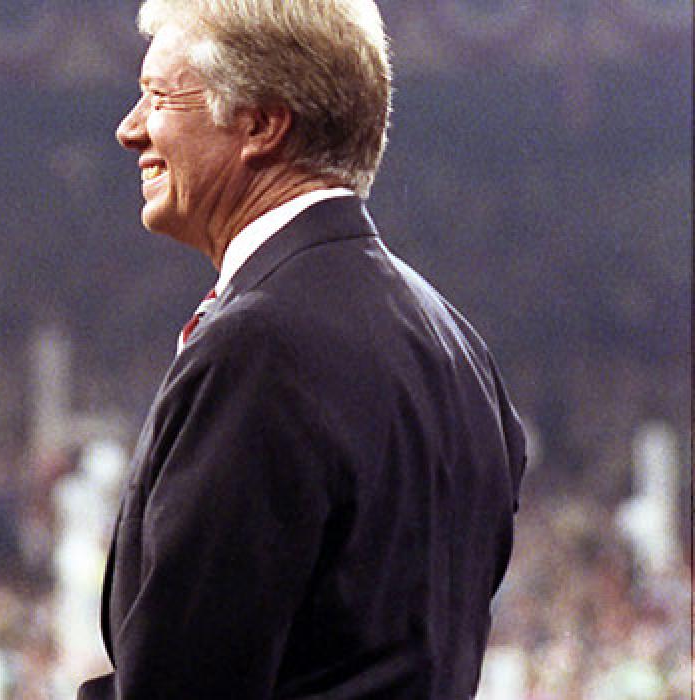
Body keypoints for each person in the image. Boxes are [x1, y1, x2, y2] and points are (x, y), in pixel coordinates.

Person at [78, 1, 527, 698]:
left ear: (259, 123)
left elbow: (185, 681)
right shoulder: (460, 348)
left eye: (157, 96)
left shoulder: (257, 347)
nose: (129, 129)